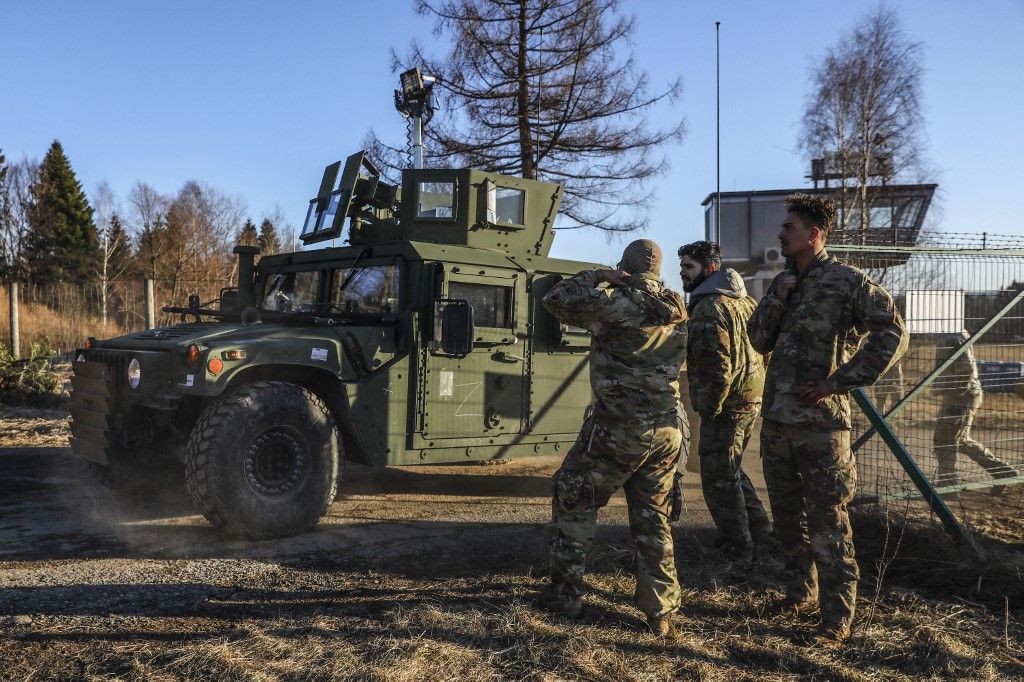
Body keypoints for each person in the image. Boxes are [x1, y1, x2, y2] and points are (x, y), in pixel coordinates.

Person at [747, 193, 908, 645]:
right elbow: (757, 341)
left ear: (814, 234)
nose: (780, 234)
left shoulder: (847, 281)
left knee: (829, 523)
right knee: (787, 520)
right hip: (778, 425)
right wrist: (777, 300)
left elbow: (893, 331)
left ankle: (836, 618)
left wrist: (840, 381)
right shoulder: (783, 281)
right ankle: (799, 594)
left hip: (821, 428)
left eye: (789, 228)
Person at [540, 239, 689, 637]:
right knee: (653, 517)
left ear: (625, 267)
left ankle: (566, 595)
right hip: (667, 430)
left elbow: (556, 298)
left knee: (574, 498)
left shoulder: (617, 304)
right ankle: (660, 613)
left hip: (619, 429)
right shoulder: (678, 309)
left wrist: (599, 276)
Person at [678, 240, 772, 562]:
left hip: (726, 403)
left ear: (711, 269)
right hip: (750, 397)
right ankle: (760, 530)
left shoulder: (708, 307)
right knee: (729, 469)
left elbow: (716, 366)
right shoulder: (746, 302)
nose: (682, 273)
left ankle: (738, 548)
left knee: (717, 476)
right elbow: (766, 348)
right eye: (682, 266)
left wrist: (709, 407)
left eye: (689, 267)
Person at [933, 330, 1016, 488]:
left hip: (960, 396)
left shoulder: (952, 336)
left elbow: (966, 369)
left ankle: (947, 486)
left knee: (945, 440)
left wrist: (954, 392)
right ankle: (1003, 471)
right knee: (960, 440)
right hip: (962, 394)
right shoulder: (952, 333)